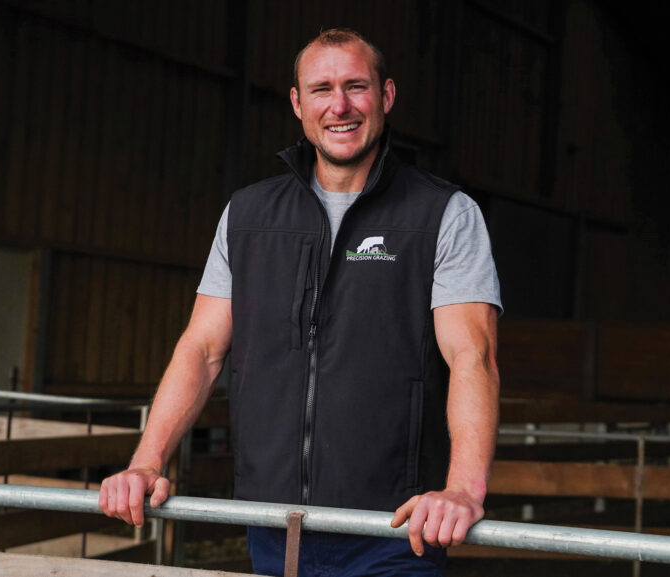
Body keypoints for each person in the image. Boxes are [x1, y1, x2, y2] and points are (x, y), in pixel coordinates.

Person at [100, 28, 501, 576]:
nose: (340, 106)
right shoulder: (247, 215)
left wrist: (462, 490)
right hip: (272, 526)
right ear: (297, 103)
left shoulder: (444, 215)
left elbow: (472, 356)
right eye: (321, 89)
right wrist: (146, 463)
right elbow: (202, 349)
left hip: (394, 530)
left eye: (356, 87)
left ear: (386, 96)